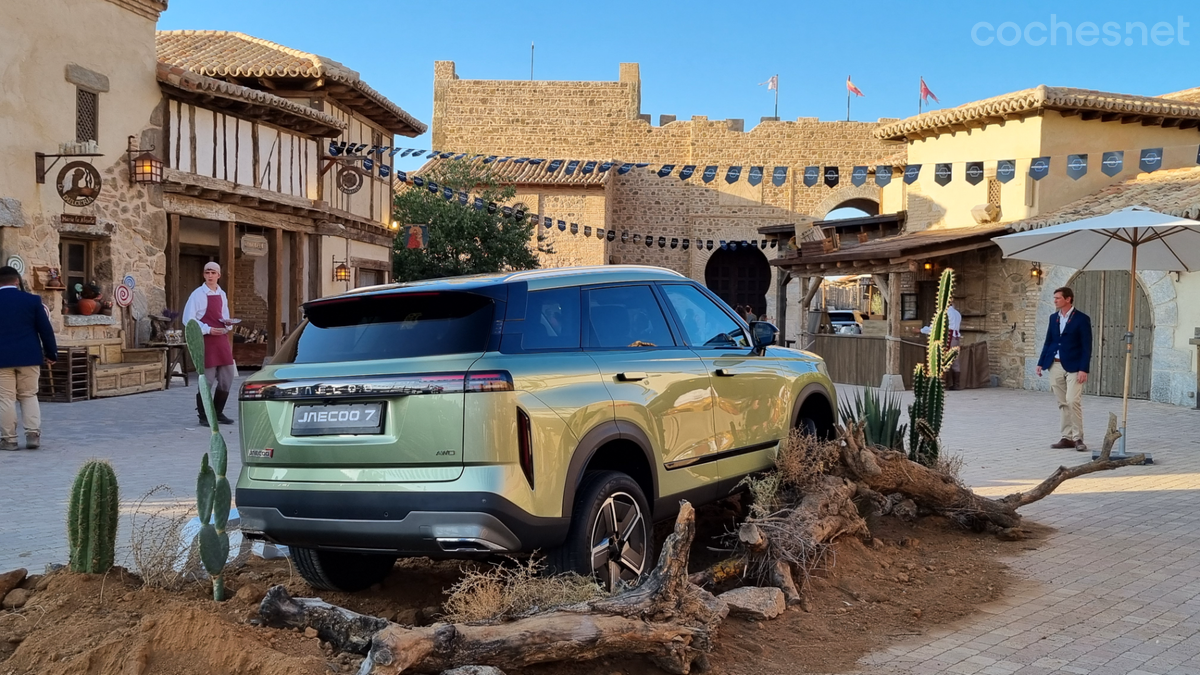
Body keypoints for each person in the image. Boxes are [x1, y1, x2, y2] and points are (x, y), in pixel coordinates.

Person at [0, 266, 57, 451]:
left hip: (2, 360)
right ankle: (33, 434)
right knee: (29, 395)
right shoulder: (32, 300)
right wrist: (51, 353)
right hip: (29, 357)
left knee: (5, 399)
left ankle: (9, 440)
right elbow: (45, 330)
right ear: (17, 281)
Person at [1036, 286, 1092, 451]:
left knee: (1072, 400)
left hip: (1075, 367)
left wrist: (1084, 369)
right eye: (1054, 298)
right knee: (1062, 403)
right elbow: (1048, 341)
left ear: (1068, 299)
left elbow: (1087, 346)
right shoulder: (1054, 318)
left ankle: (1078, 438)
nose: (1055, 301)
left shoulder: (1082, 319)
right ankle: (1066, 437)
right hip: (1055, 364)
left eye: (1058, 298)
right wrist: (1040, 363)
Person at [183, 261, 236, 425]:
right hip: (206, 340)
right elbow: (188, 320)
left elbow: (223, 315)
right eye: (207, 272)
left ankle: (218, 412)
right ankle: (204, 415)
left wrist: (228, 324)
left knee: (227, 376)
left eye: (213, 273)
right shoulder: (197, 294)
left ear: (219, 275)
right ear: (204, 275)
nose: (210, 275)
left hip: (221, 339)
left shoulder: (222, 294)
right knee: (207, 379)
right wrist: (207, 329)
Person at [946, 298, 963, 390]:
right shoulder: (957, 313)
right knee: (955, 361)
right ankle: (956, 384)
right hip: (956, 338)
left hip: (949, 337)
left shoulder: (946, 313)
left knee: (947, 359)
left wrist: (921, 330)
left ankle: (947, 384)